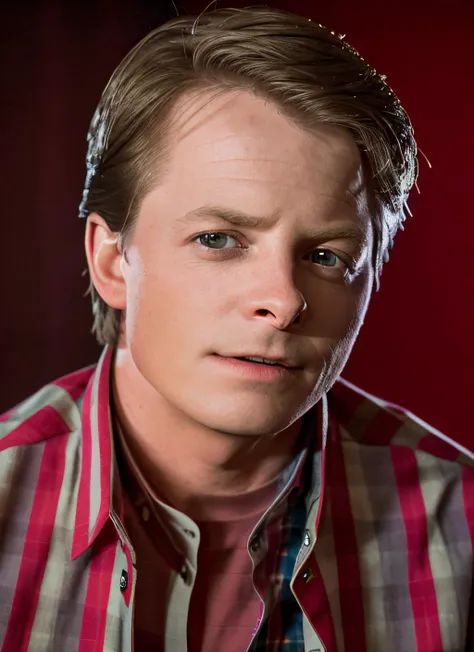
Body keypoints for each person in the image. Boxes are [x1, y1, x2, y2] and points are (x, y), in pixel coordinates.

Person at [0, 6, 472, 652]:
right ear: (112, 261)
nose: (282, 300)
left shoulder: (464, 525)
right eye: (218, 239)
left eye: (327, 256)